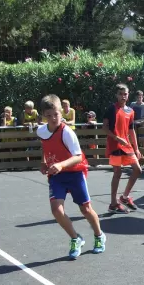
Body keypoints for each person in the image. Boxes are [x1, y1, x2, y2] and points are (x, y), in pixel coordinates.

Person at [38, 95, 105, 259]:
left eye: (56, 114)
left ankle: (99, 235)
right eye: (49, 115)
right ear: (43, 116)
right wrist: (43, 161)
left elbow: (78, 157)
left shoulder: (67, 132)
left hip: (75, 173)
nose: (53, 118)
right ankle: (75, 238)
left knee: (85, 209)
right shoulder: (41, 131)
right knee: (56, 210)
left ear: (61, 112)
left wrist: (61, 164)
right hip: (57, 175)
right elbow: (45, 146)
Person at [103, 83, 142, 213]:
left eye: (125, 94)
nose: (123, 96)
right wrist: (117, 138)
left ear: (128, 95)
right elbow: (105, 128)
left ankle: (124, 197)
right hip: (115, 145)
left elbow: (131, 130)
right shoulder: (111, 109)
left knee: (138, 170)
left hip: (127, 146)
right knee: (117, 173)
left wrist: (136, 148)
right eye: (120, 94)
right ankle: (113, 204)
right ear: (116, 95)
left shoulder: (130, 111)